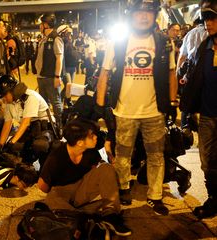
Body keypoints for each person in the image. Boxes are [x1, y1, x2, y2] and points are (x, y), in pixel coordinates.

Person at [96, 0, 177, 215]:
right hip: (124, 112)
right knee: (123, 155)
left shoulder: (165, 42)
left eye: (149, 12)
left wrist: (172, 102)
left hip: (154, 112)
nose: (144, 16)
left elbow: (171, 73)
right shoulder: (119, 42)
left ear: (155, 15)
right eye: (139, 12)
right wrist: (100, 105)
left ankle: (155, 196)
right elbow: (104, 73)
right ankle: (123, 188)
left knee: (156, 155)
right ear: (131, 15)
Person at [37, 119, 132, 237]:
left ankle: (110, 216)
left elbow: (98, 171)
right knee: (52, 199)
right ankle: (85, 222)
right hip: (61, 194)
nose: (96, 137)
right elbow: (42, 186)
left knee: (106, 168)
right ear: (80, 142)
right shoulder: (56, 157)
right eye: (92, 136)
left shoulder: (90, 152)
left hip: (81, 189)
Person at [179, 0, 217, 219]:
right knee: (207, 161)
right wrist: (191, 109)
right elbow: (195, 79)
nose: (208, 23)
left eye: (212, 18)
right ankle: (214, 199)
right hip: (208, 116)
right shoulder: (205, 47)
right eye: (205, 19)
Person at [0, 75, 52, 165]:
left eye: (5, 95)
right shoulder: (10, 103)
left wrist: (11, 142)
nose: (4, 99)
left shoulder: (30, 97)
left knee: (39, 145)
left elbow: (25, 123)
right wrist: (0, 145)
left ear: (12, 90)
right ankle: (26, 166)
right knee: (15, 149)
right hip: (31, 129)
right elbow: (7, 124)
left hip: (45, 128)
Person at [35, 13, 64, 128]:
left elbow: (59, 59)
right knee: (43, 103)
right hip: (41, 76)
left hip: (51, 77)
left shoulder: (56, 38)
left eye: (41, 24)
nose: (40, 26)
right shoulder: (44, 39)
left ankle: (60, 124)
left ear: (45, 25)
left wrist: (57, 76)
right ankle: (47, 124)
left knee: (55, 102)